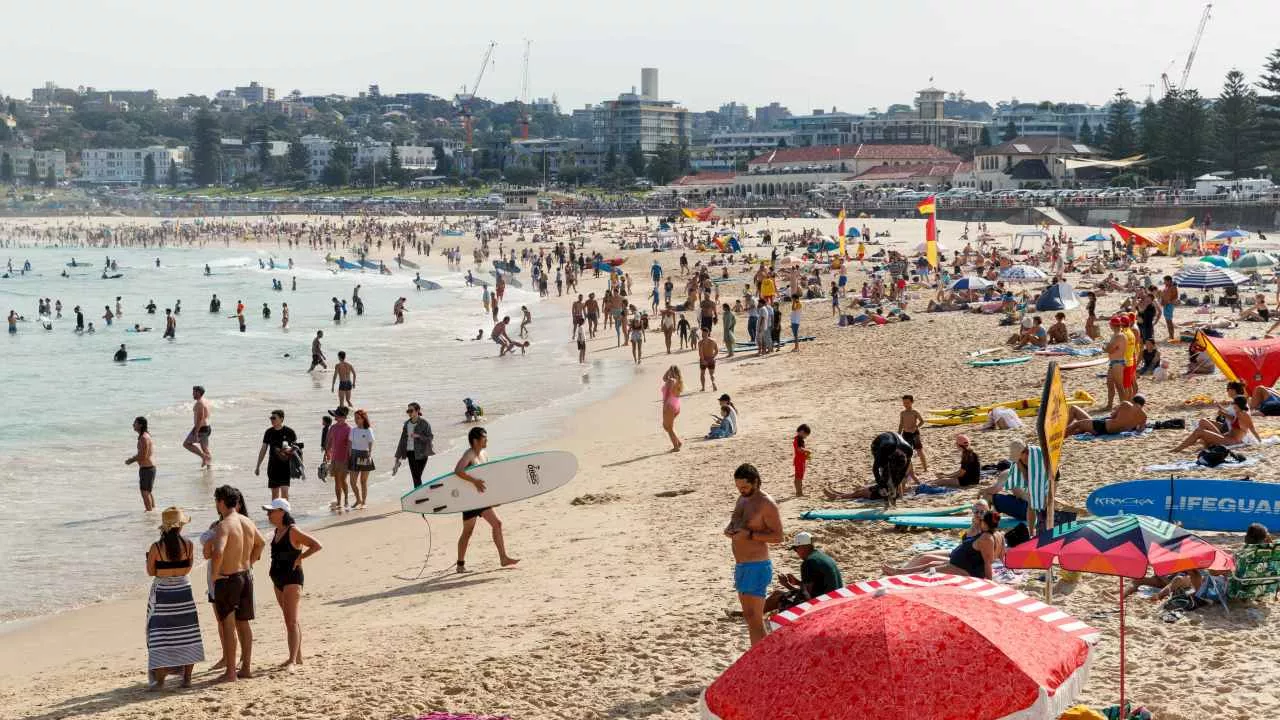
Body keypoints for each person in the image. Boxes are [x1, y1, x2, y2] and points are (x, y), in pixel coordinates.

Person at [208, 485, 265, 683]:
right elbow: (261, 543)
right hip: (245, 576)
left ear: (221, 502)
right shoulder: (247, 521)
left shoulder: (224, 525)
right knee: (244, 624)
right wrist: (252, 561)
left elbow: (218, 552)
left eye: (216, 501)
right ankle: (246, 668)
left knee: (229, 625)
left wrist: (215, 575)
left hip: (228, 578)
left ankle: (231, 672)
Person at [145, 507, 204, 690]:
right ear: (180, 526)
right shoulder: (189, 545)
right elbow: (187, 569)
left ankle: (161, 680)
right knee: (187, 633)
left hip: (163, 591)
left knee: (160, 635)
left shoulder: (156, 547)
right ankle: (186, 679)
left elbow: (151, 572)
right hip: (183, 590)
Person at [724, 463, 783, 645]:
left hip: (757, 565)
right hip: (742, 565)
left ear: (756, 482)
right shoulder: (742, 499)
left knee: (755, 618)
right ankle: (758, 656)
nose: (742, 491)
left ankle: (763, 658)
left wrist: (750, 534)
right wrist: (729, 529)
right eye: (739, 487)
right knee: (750, 618)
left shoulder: (767, 504)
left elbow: (778, 536)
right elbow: (735, 521)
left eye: (745, 487)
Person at [262, 498, 322, 668]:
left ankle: (292, 660)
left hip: (292, 579)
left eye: (271, 511)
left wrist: (301, 558)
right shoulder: (276, 531)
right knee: (290, 619)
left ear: (282, 512)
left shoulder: (293, 531)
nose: (268, 514)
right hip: (278, 579)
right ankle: (298, 656)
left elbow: (316, 545)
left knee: (291, 621)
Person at [454, 426, 519, 573]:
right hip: (471, 500)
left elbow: (488, 477)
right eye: (484, 437)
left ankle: (503, 558)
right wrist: (474, 481)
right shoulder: (469, 454)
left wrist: (494, 497)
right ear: (475, 440)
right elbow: (458, 470)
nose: (487, 440)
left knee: (497, 523)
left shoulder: (483, 454)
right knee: (468, 532)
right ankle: (460, 564)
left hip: (481, 499)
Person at [882, 502, 1003, 580]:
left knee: (929, 565)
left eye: (981, 512)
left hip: (964, 565)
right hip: (959, 557)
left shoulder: (986, 536)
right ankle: (900, 572)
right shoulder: (977, 527)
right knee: (925, 558)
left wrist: (989, 581)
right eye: (975, 511)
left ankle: (899, 576)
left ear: (987, 514)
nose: (977, 514)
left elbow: (988, 560)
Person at [821, 432, 914, 505]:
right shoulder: (884, 450)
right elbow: (875, 469)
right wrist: (881, 485)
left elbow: (902, 474)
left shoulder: (908, 451)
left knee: (860, 492)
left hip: (883, 491)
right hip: (878, 445)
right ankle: (841, 495)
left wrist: (893, 487)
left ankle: (839, 496)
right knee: (864, 490)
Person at [764, 531, 843, 614]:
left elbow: (806, 597)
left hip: (822, 606)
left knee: (777, 599)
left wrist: (787, 585)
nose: (796, 552)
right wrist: (797, 583)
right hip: (834, 600)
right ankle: (754, 616)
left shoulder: (808, 562)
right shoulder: (822, 556)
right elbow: (815, 588)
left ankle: (755, 618)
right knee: (777, 593)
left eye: (795, 549)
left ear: (802, 547)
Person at [1172, 395, 1260, 451]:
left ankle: (1177, 449)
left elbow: (1252, 429)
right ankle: (1206, 446)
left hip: (1233, 441)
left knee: (1200, 431)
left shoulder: (1245, 415)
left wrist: (1260, 442)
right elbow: (1233, 421)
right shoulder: (1238, 412)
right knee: (1203, 421)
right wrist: (1221, 409)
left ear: (1238, 405)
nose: (1233, 405)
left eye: (1234, 404)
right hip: (1226, 436)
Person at [255, 410, 299, 501]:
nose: (272, 420)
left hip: (286, 467)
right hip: (272, 467)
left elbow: (296, 450)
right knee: (275, 495)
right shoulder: (268, 432)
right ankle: (276, 514)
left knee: (285, 492)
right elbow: (263, 449)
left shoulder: (290, 432)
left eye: (274, 418)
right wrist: (258, 466)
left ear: (281, 418)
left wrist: (299, 466)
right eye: (271, 418)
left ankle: (285, 514)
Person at [394, 402, 435, 488]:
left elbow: (430, 437)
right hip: (411, 453)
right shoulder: (406, 424)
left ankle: (418, 494)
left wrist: (419, 436)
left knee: (417, 476)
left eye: (411, 410)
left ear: (417, 411)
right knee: (416, 476)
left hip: (423, 453)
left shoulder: (424, 423)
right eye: (408, 411)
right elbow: (402, 441)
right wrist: (398, 457)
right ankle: (419, 495)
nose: (409, 413)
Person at [1067, 396, 1147, 436]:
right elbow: (1140, 430)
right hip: (1110, 431)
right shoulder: (1144, 417)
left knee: (1076, 421)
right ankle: (1065, 432)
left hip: (1103, 426)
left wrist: (1115, 412)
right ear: (1142, 405)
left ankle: (1059, 434)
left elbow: (1112, 417)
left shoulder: (1126, 404)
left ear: (1133, 401)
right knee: (1080, 428)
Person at [324, 406, 353, 510]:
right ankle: (339, 502)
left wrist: (350, 458)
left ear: (343, 417)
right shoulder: (333, 427)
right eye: (335, 415)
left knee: (343, 479)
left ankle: (346, 499)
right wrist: (327, 452)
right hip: (334, 458)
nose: (335, 417)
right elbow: (329, 441)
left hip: (345, 458)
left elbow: (350, 445)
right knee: (337, 480)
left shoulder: (349, 429)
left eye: (337, 415)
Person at [126, 416, 157, 511]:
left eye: (135, 423)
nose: (133, 425)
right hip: (148, 468)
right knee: (148, 491)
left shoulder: (144, 437)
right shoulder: (145, 435)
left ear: (141, 425)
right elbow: (143, 454)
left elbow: (143, 456)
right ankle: (152, 511)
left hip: (147, 468)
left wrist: (131, 460)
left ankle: (149, 512)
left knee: (144, 492)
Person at [348, 409, 375, 510]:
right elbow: (350, 443)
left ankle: (364, 501)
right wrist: (350, 455)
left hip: (365, 454)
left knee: (363, 481)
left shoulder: (368, 430)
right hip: (354, 455)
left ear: (363, 419)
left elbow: (370, 442)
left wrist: (370, 454)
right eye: (355, 418)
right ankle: (358, 499)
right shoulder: (353, 430)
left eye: (358, 418)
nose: (356, 420)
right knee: (352, 482)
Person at [183, 385, 212, 468]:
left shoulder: (200, 403)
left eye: (194, 392)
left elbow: (200, 418)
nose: (192, 394)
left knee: (186, 444)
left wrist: (196, 433)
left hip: (201, 428)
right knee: (205, 449)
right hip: (207, 427)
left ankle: (204, 457)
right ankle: (209, 467)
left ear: (198, 393)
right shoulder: (205, 401)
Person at [1104, 316, 1128, 410]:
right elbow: (1111, 349)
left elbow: (1110, 349)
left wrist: (1105, 348)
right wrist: (1108, 348)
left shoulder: (1118, 336)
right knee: (1109, 383)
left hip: (1117, 363)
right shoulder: (1117, 335)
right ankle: (1109, 405)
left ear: (1112, 325)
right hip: (1114, 362)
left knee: (1119, 386)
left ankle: (1124, 406)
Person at [898, 395, 927, 472]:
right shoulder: (902, 413)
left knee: (919, 451)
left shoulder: (914, 412)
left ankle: (925, 468)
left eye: (907, 403)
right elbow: (901, 424)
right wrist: (898, 434)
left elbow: (922, 421)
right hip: (905, 434)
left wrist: (916, 427)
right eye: (904, 403)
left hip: (915, 434)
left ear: (912, 402)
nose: (906, 404)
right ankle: (910, 470)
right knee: (906, 452)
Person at [661, 365, 683, 452]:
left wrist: (664, 405)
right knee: (666, 426)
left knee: (669, 428)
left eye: (670, 371)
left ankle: (676, 447)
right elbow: (664, 378)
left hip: (669, 405)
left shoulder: (671, 381)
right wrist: (669, 370)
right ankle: (678, 442)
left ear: (672, 372)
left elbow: (667, 394)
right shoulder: (678, 381)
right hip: (676, 405)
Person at [792, 423, 811, 497]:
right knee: (798, 477)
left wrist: (806, 455)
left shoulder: (800, 439)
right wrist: (806, 451)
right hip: (799, 461)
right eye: (806, 435)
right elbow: (798, 449)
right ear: (802, 432)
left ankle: (800, 492)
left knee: (800, 476)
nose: (806, 437)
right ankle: (799, 492)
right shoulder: (797, 439)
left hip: (801, 460)